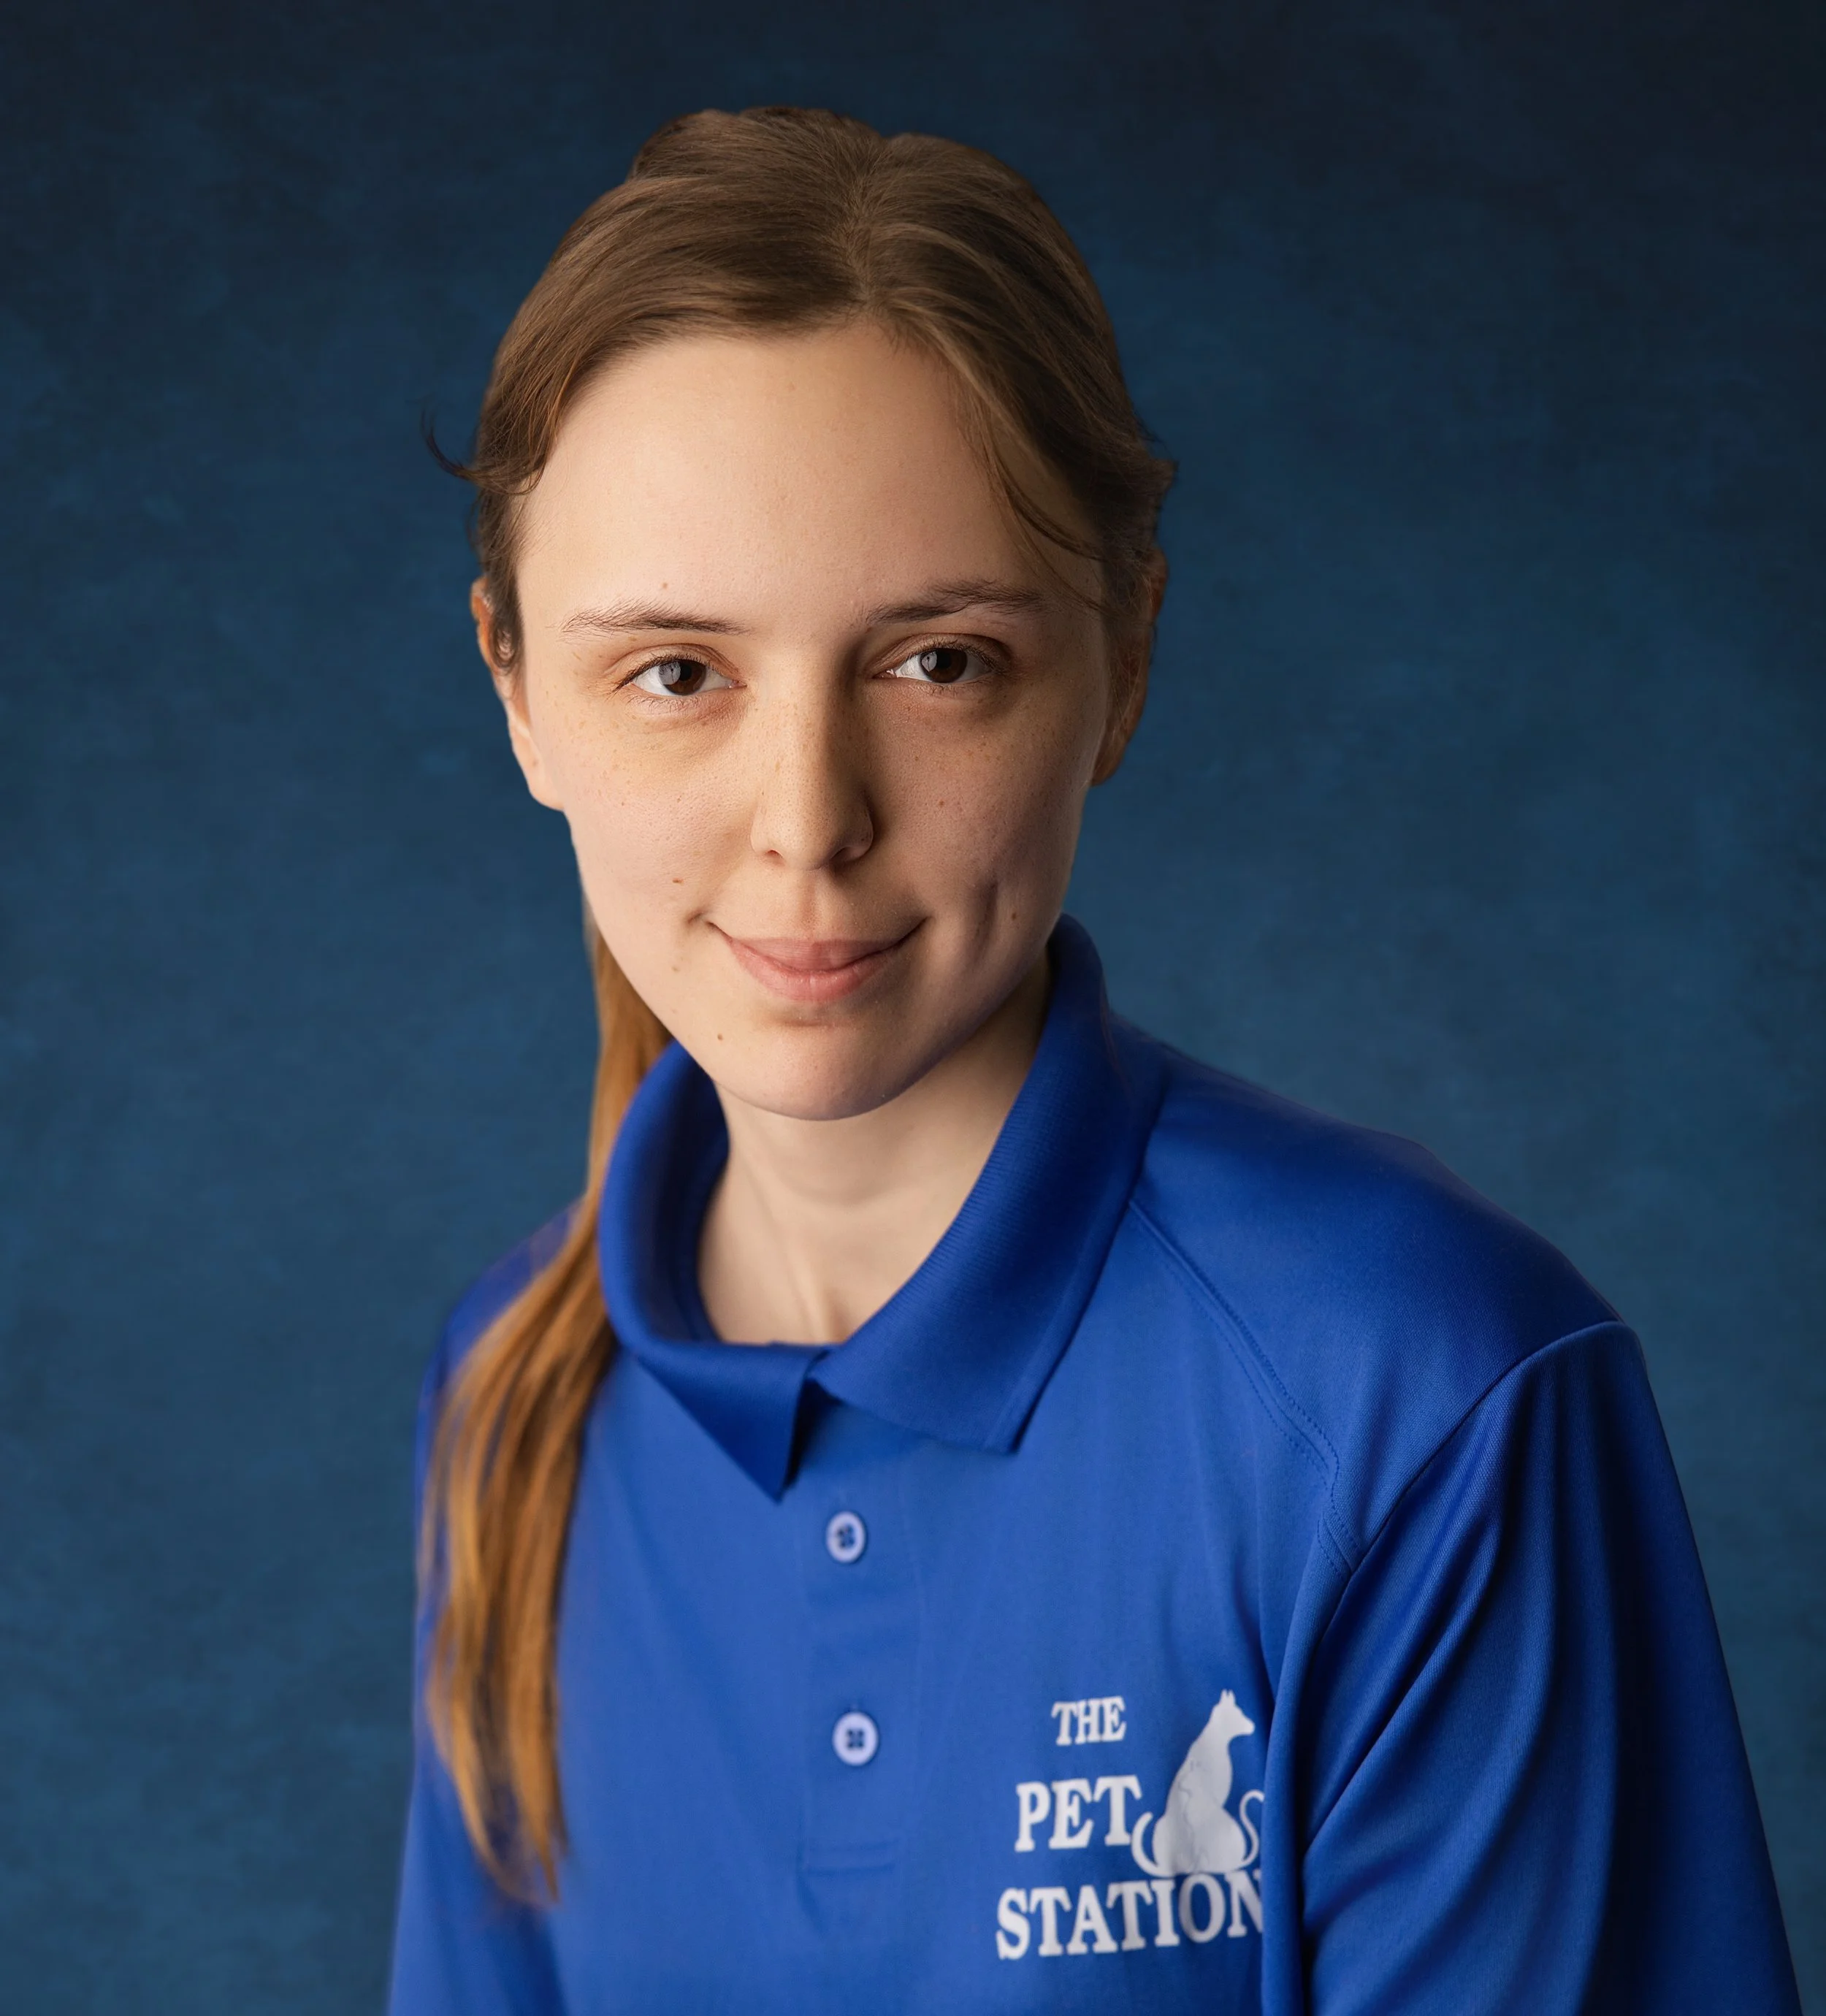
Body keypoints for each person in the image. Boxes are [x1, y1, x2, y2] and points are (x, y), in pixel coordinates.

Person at [388, 107, 1800, 2014]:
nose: (807, 819)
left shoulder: (1418, 1393)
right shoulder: (512, 1397)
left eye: (937, 662)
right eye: (676, 672)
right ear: (516, 690)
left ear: (1121, 659)